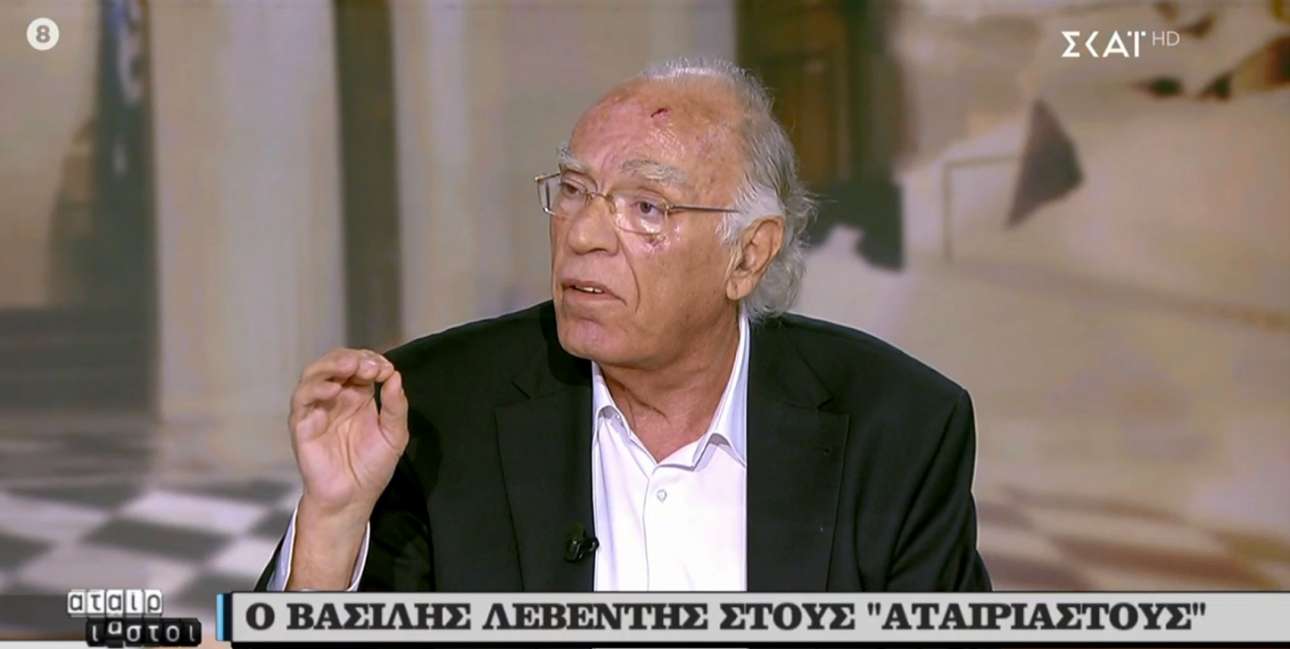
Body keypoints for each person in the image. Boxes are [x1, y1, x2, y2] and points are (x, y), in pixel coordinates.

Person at [256, 58, 990, 593]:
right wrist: (333, 521)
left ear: (748, 255)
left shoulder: (899, 428)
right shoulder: (438, 410)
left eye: (646, 207)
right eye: (575, 191)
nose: (582, 235)